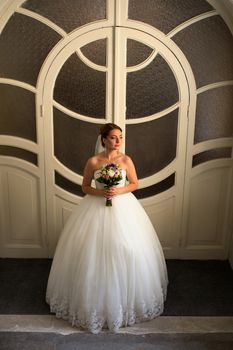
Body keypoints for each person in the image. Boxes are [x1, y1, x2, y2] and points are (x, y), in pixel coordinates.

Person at [46, 123, 168, 334]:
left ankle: (126, 301)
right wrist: (101, 193)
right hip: (95, 206)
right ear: (103, 140)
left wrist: (118, 192)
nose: (118, 141)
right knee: (91, 253)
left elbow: (135, 183)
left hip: (123, 206)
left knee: (126, 248)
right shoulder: (93, 161)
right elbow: (85, 186)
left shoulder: (126, 160)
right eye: (113, 137)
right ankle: (91, 302)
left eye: (120, 137)